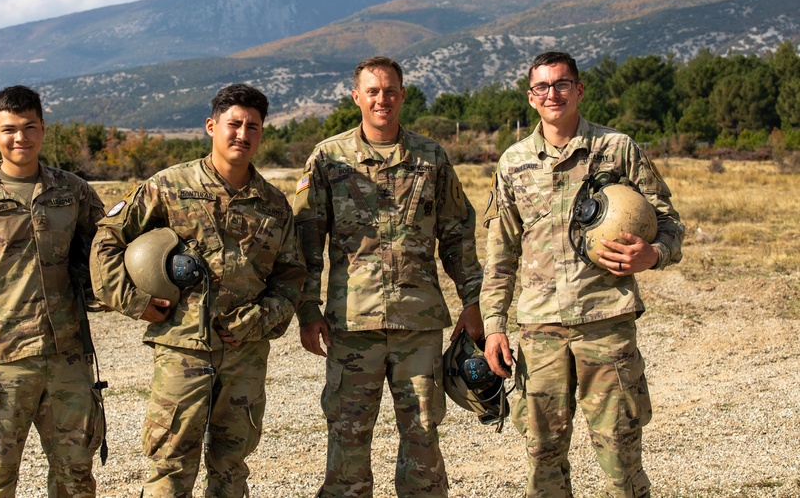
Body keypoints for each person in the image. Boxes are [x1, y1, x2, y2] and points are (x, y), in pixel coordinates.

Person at [481, 51, 685, 498]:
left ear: (579, 89)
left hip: (606, 326)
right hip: (539, 333)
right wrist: (494, 326)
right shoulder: (513, 163)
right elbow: (500, 253)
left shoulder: (617, 149)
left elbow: (670, 223)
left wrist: (654, 254)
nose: (552, 94)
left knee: (621, 455)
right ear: (531, 97)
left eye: (561, 84)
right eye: (542, 87)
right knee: (543, 457)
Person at [90, 83, 305, 498]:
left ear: (262, 134)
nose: (242, 134)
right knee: (170, 465)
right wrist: (134, 302)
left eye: (253, 127)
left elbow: (291, 275)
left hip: (245, 352)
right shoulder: (168, 187)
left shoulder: (274, 204)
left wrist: (261, 319)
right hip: (182, 350)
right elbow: (106, 241)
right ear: (211, 126)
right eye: (234, 124)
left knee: (231, 465)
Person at [292, 56, 484, 498]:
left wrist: (473, 302)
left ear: (402, 94)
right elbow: (306, 240)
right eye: (373, 91)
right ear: (356, 97)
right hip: (352, 324)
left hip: (418, 325)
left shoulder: (431, 157)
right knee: (347, 439)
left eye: (390, 90)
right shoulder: (329, 158)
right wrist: (307, 309)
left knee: (423, 440)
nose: (382, 99)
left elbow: (457, 234)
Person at [0, 85, 106, 498]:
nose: (21, 138)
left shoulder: (73, 191)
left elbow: (106, 252)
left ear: (43, 129)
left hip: (67, 358)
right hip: (2, 364)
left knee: (76, 476)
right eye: (9, 129)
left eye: (29, 127)